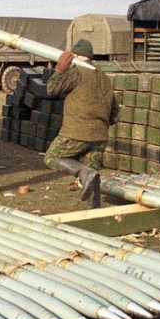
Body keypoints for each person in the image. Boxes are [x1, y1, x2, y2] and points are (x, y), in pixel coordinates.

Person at [43, 39, 119, 208]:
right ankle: (94, 210)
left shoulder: (77, 72)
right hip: (100, 136)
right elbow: (115, 112)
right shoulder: (104, 77)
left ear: (75, 55)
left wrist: (59, 70)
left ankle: (82, 172)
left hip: (77, 132)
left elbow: (51, 90)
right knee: (93, 177)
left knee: (51, 158)